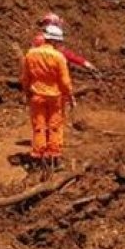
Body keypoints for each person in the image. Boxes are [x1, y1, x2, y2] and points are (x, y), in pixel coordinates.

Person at [19, 23, 74, 171]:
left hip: (37, 96)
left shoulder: (30, 55)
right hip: (55, 98)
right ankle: (54, 158)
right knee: (55, 127)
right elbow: (65, 81)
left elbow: (25, 78)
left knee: (39, 127)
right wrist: (69, 95)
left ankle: (37, 158)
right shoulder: (59, 57)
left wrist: (26, 92)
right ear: (55, 41)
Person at [31, 13, 100, 76]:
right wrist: (86, 63)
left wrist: (85, 63)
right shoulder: (48, 40)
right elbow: (67, 54)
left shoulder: (39, 38)